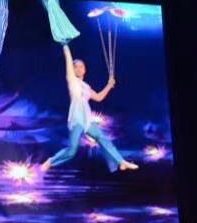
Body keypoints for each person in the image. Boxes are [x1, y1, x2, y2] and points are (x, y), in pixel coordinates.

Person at [41, 45, 138, 173]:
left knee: (102, 138)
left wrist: (109, 86)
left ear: (85, 69)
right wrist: (65, 46)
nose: (79, 68)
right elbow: (68, 60)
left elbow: (98, 97)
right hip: (76, 119)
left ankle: (121, 162)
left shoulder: (86, 86)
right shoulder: (72, 81)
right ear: (72, 70)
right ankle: (50, 161)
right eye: (76, 67)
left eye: (81, 66)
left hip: (87, 120)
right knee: (72, 150)